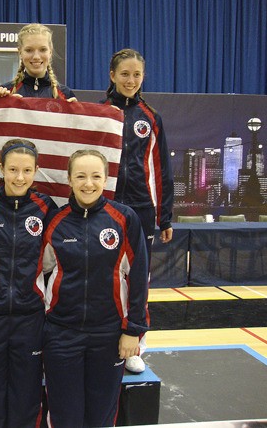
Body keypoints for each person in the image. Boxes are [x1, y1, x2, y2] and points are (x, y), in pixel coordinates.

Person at [41, 149, 149, 427]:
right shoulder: (55, 221)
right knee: (66, 415)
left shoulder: (124, 218)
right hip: (61, 334)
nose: (88, 183)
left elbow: (139, 278)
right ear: (69, 179)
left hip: (109, 334)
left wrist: (133, 330)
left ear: (106, 178)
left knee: (101, 415)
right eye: (80, 176)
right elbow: (39, 271)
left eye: (95, 176)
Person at [0, 139, 57, 427]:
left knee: (26, 391)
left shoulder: (46, 208)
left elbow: (54, 258)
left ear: (36, 171)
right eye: (13, 170)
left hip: (30, 315)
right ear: (1, 168)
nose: (20, 178)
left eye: (27, 170)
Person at [103, 48, 174, 373]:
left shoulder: (151, 117)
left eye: (137, 75)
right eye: (125, 74)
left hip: (142, 210)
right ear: (112, 76)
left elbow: (161, 169)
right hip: (107, 206)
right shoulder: (99, 112)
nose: (131, 80)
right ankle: (105, 337)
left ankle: (137, 344)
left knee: (138, 277)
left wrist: (165, 216)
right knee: (104, 271)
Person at [0, 23, 76, 100]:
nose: (36, 57)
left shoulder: (65, 95)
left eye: (43, 50)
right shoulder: (6, 92)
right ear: (20, 52)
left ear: (50, 52)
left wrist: (74, 112)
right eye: (29, 50)